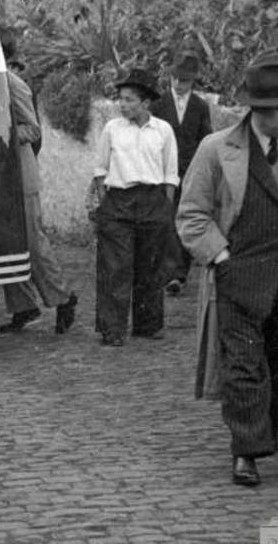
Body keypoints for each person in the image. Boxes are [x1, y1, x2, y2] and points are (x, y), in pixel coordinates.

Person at [178, 50, 278, 486]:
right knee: (244, 366)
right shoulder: (217, 149)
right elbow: (191, 215)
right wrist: (221, 256)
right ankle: (246, 451)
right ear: (256, 111)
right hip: (239, 277)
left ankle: (265, 431)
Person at [0, 27, 79, 334]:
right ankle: (23, 307)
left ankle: (63, 298)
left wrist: (2, 137)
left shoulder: (14, 84)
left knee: (32, 241)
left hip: (21, 174)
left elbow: (33, 129)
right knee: (6, 244)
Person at [89, 67, 179, 346]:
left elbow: (170, 174)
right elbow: (101, 169)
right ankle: (112, 328)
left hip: (153, 201)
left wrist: (166, 208)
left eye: (129, 100)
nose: (123, 105)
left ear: (145, 103)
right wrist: (105, 201)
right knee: (115, 267)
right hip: (119, 202)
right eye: (121, 99)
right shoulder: (112, 129)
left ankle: (148, 324)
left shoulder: (163, 131)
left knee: (151, 266)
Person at [151, 52, 213, 295]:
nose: (178, 84)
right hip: (162, 171)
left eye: (184, 81)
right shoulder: (157, 105)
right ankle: (169, 273)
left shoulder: (200, 106)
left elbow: (205, 139)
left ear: (192, 82)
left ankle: (179, 274)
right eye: (175, 79)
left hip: (190, 171)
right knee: (166, 220)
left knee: (185, 218)